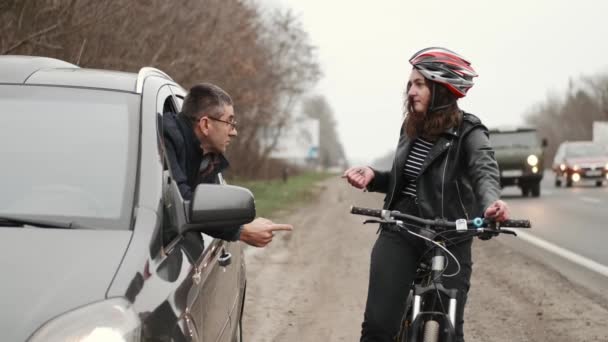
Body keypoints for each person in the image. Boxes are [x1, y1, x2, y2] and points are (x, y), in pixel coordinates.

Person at [343, 47, 509, 342]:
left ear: (442, 90)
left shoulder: (470, 132)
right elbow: (408, 180)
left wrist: (490, 205)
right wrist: (374, 177)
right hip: (401, 228)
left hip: (450, 235)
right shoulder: (411, 129)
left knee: (449, 330)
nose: (410, 91)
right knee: (378, 329)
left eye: (419, 84)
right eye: (409, 84)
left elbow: (484, 171)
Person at [163, 82, 292, 247]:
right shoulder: (164, 139)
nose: (234, 132)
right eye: (229, 122)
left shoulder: (206, 159)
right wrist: (241, 230)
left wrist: (239, 229)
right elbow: (183, 206)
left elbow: (203, 209)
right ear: (205, 125)